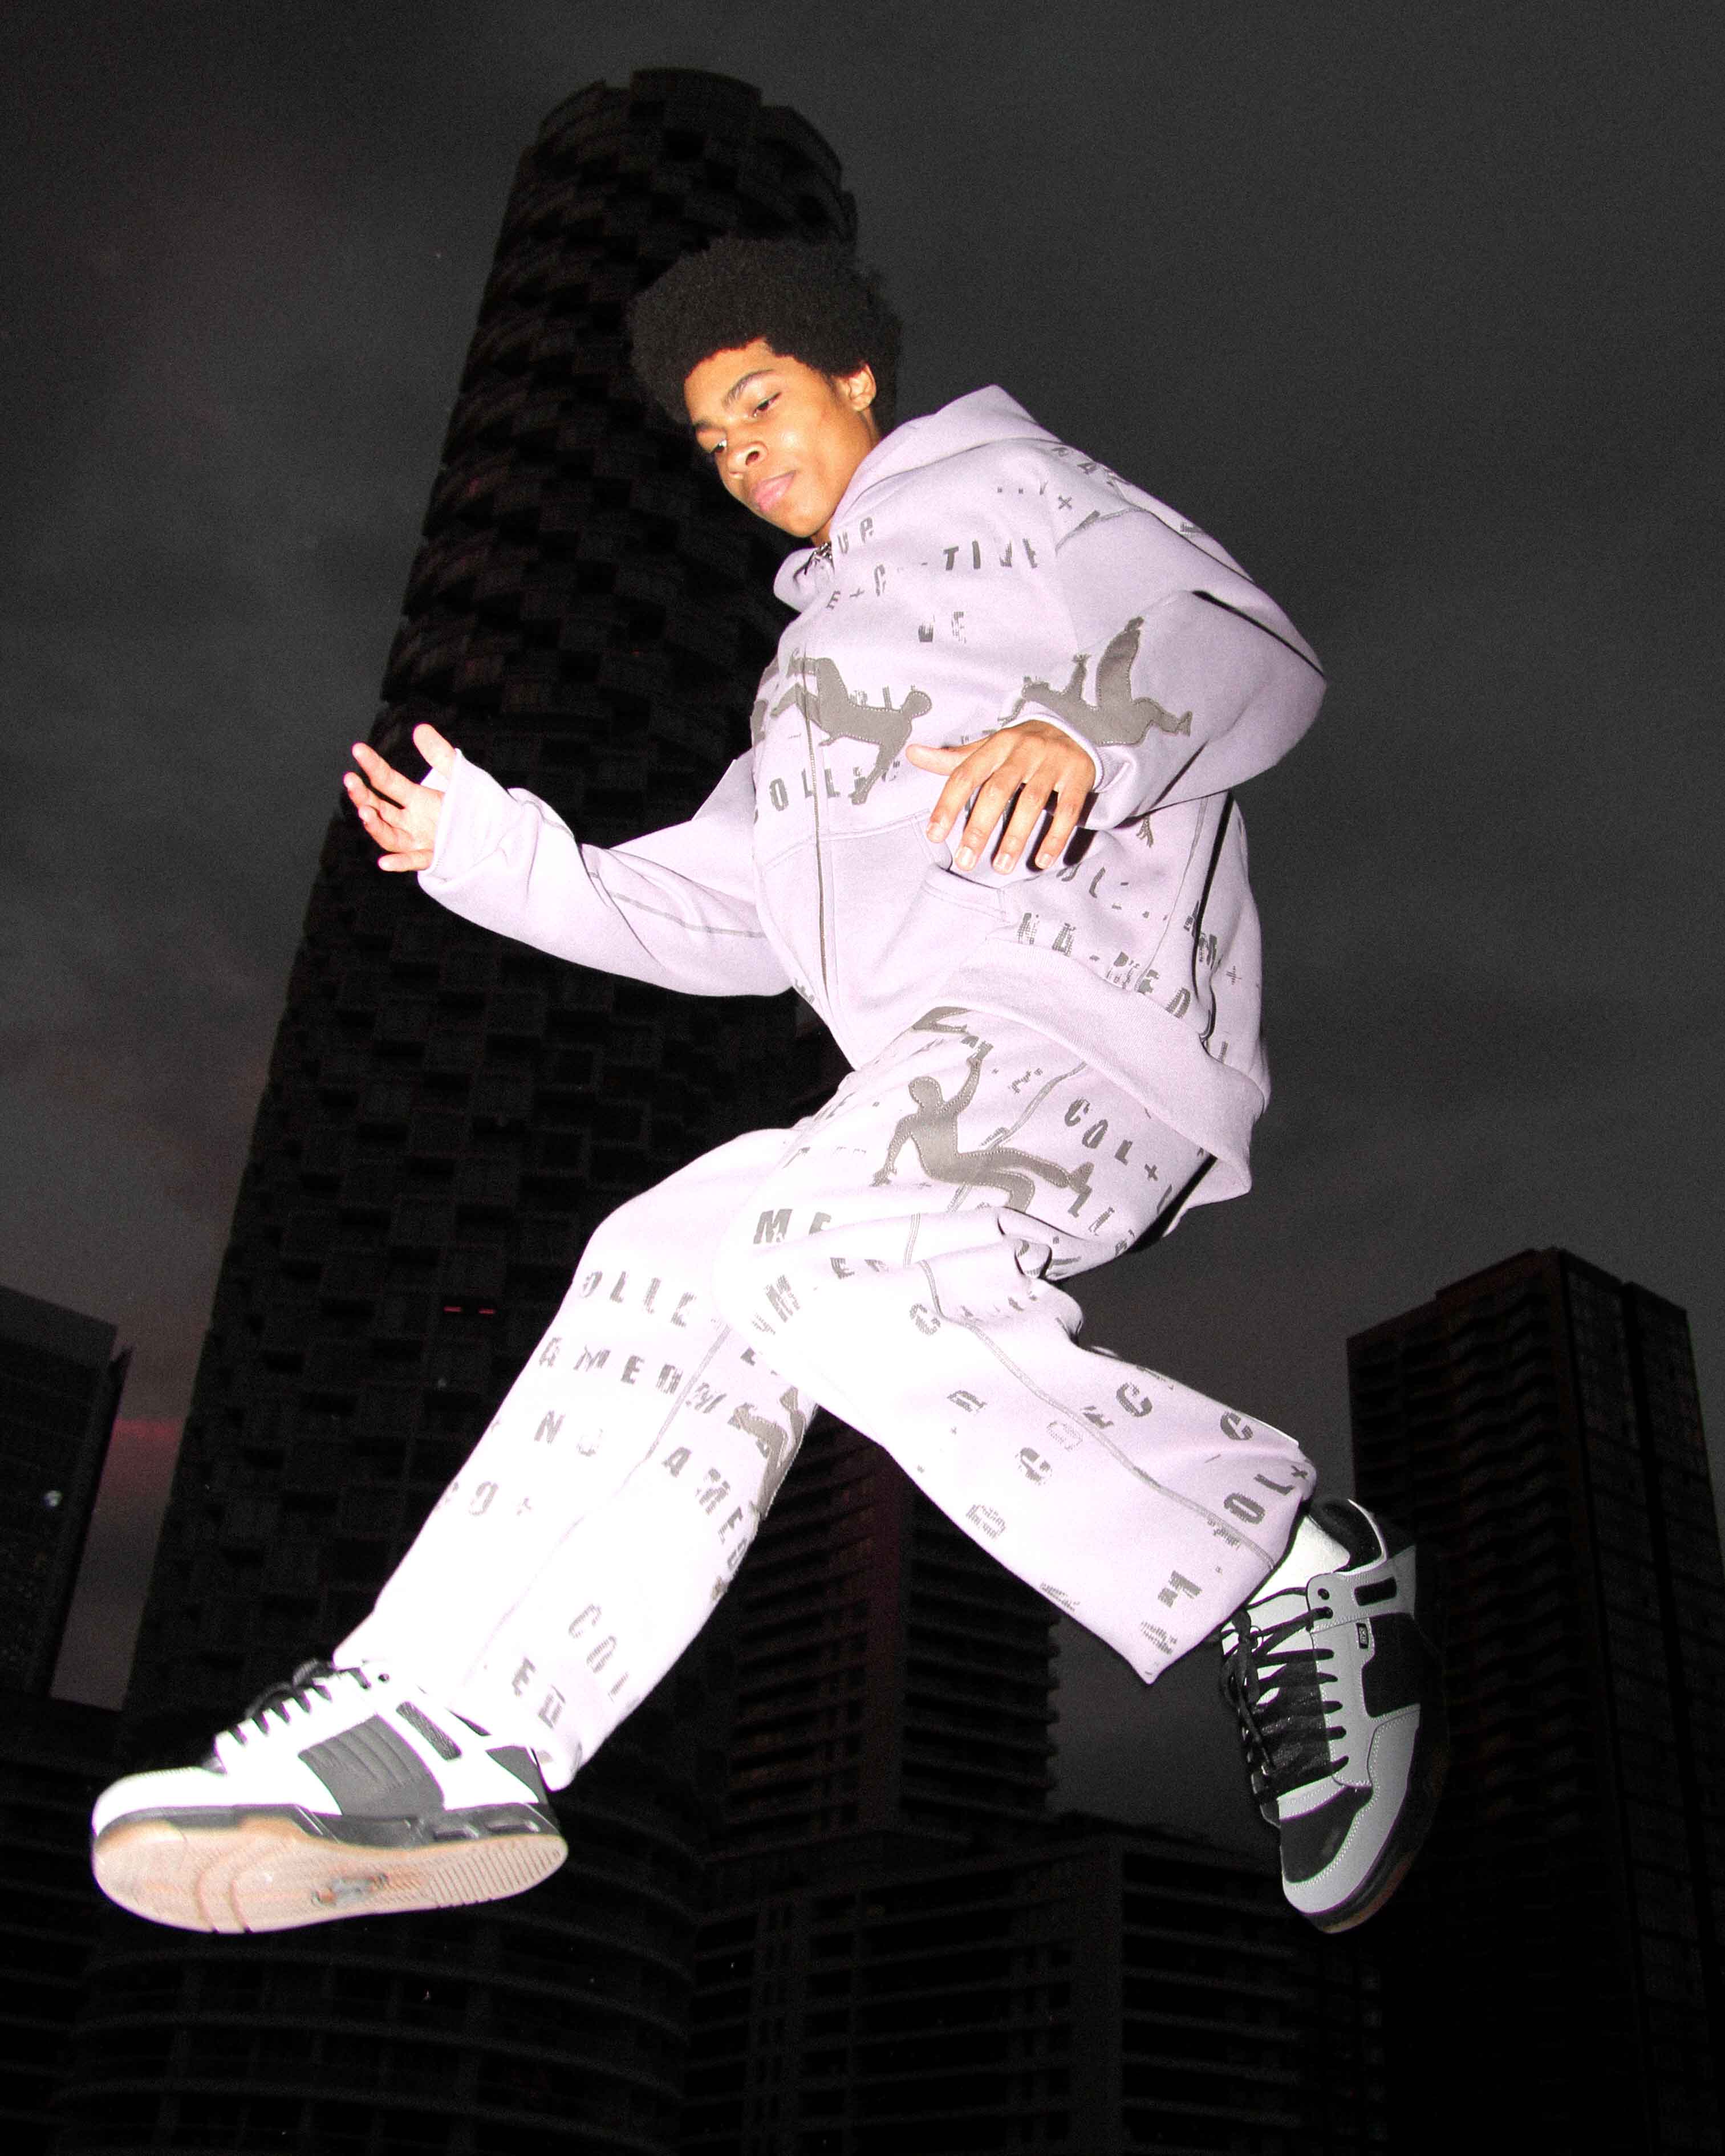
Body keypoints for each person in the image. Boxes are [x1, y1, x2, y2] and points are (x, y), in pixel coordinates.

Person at [90, 237, 1444, 1939]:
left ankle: (1276, 1561)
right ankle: (448, 1725)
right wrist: (499, 858)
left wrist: (1084, 741)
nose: (744, 458)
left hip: (1091, 1028)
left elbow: (1241, 646)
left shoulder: (1014, 488)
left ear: (854, 379)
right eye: (716, 443)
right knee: (677, 1251)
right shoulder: (805, 681)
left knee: (813, 1251)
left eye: (763, 404)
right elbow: (732, 914)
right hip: (937, 1077)